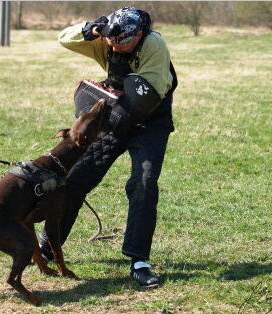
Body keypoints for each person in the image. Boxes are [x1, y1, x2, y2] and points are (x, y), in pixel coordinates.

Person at [39, 6, 177, 288]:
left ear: (138, 34)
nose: (114, 47)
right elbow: (65, 39)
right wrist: (90, 29)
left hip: (149, 124)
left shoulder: (154, 45)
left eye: (121, 42)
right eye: (111, 41)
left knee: (144, 183)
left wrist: (109, 112)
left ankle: (139, 261)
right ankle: (48, 249)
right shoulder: (110, 38)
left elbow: (151, 93)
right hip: (115, 119)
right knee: (75, 179)